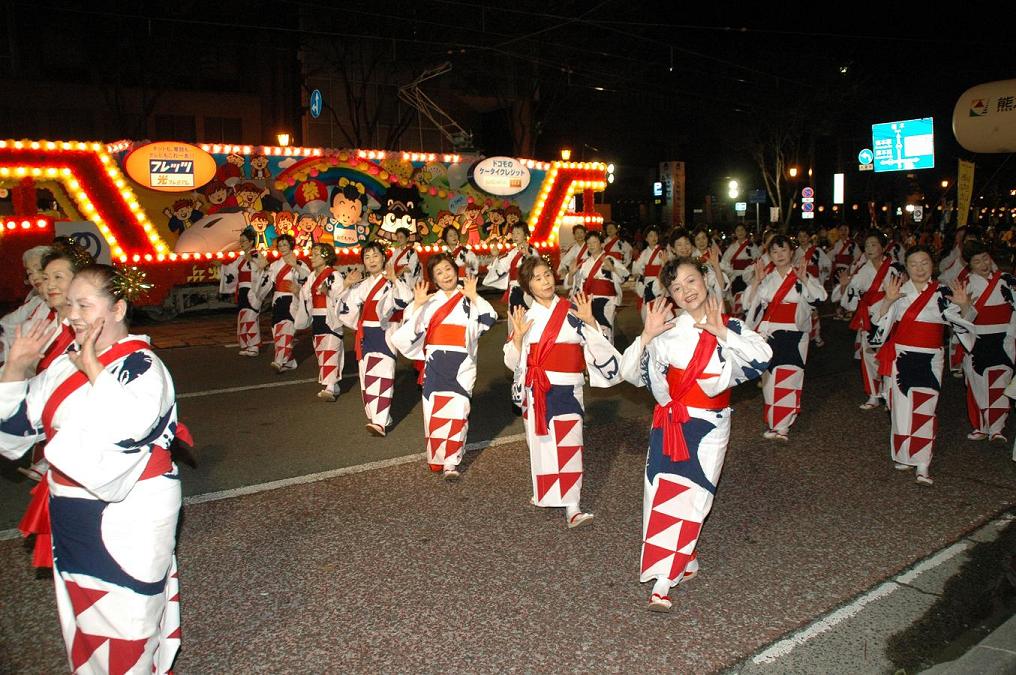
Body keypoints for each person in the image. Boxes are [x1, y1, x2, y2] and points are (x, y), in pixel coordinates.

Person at [0, 264, 184, 674]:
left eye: (84, 304)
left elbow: (132, 430)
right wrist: (15, 369)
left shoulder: (143, 364)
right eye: (69, 306)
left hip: (129, 511)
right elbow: (15, 433)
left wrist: (95, 371)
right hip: (70, 509)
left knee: (128, 620)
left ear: (118, 309)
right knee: (83, 619)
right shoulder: (64, 365)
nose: (72, 316)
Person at [620, 258, 772, 612]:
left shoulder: (729, 325)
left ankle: (666, 575)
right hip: (672, 422)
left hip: (711, 425)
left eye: (691, 280)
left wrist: (721, 332)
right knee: (660, 493)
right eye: (676, 287)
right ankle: (673, 568)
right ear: (670, 295)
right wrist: (646, 335)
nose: (686, 291)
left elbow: (762, 357)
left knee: (694, 497)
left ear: (705, 280)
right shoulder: (667, 330)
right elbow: (632, 375)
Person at [504, 257, 624, 528]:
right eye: (537, 278)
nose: (545, 280)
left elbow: (596, 345)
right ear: (528, 286)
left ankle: (573, 506)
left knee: (570, 444)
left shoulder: (571, 309)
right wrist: (519, 338)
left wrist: (590, 320)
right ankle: (547, 494)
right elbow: (511, 362)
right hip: (538, 390)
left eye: (547, 274)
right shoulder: (527, 317)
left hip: (568, 387)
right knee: (541, 445)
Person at [869, 246, 975, 485]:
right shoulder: (899, 290)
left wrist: (965, 306)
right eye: (914, 264)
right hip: (901, 355)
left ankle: (923, 463)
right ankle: (906, 454)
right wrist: (887, 300)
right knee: (901, 409)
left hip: (930, 358)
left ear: (933, 265)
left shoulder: (943, 292)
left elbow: (963, 324)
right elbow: (877, 323)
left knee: (925, 408)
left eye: (924, 263)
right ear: (906, 267)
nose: (919, 268)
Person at [392, 254, 497, 478]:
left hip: (462, 365)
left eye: (448, 269)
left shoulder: (467, 297)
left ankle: (451, 461)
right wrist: (417, 305)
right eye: (439, 272)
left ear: (456, 270)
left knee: (458, 411)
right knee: (434, 411)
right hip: (435, 362)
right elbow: (408, 332)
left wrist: (475, 296)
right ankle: (437, 456)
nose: (445, 275)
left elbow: (489, 319)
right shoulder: (429, 301)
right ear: (434, 280)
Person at [745, 235, 827, 441]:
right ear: (769, 255)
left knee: (790, 377)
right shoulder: (768, 277)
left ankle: (783, 426)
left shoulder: (802, 274)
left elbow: (820, 297)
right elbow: (749, 304)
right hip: (770, 333)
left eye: (783, 250)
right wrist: (756, 280)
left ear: (792, 252)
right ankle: (775, 423)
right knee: (770, 380)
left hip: (795, 333)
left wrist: (805, 279)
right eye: (774, 251)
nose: (779, 255)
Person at [339, 242, 412, 436]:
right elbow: (346, 308)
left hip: (385, 333)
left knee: (383, 374)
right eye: (367, 257)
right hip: (366, 335)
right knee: (367, 375)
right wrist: (346, 285)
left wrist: (395, 280)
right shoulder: (363, 285)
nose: (371, 260)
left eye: (375, 256)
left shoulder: (391, 281)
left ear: (384, 258)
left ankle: (379, 422)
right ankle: (381, 416)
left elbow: (405, 298)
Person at [831, 231, 905, 410]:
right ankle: (873, 394)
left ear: (883, 246)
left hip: (890, 314)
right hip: (869, 316)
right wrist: (843, 286)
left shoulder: (895, 268)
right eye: (867, 246)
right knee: (869, 354)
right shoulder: (863, 269)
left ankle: (890, 393)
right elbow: (850, 296)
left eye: (874, 244)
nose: (870, 249)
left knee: (889, 355)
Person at [959, 240, 1016, 443]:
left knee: (1000, 382)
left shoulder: (1007, 280)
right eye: (977, 261)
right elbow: (962, 318)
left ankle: (997, 429)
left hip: (1003, 338)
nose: (983, 264)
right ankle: (981, 426)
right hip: (978, 339)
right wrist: (964, 306)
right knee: (977, 384)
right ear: (969, 265)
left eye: (985, 258)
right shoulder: (966, 284)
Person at [298, 243, 350, 401]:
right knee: (321, 351)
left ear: (326, 256)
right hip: (317, 317)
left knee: (331, 350)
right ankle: (334, 385)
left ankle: (329, 387)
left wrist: (329, 292)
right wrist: (298, 291)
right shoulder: (313, 276)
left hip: (330, 318)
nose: (311, 257)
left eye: (315, 254)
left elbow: (343, 296)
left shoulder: (334, 275)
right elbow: (305, 294)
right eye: (311, 254)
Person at [570, 230, 628, 342]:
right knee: (590, 332)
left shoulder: (609, 260)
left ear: (601, 244)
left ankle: (609, 357)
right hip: (588, 301)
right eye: (589, 243)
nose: (591, 245)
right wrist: (572, 274)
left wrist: (613, 269)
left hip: (606, 301)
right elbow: (575, 285)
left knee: (605, 329)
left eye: (594, 242)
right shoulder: (584, 263)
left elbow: (624, 277)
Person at [218, 228, 269, 357]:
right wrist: (220, 266)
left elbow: (265, 267)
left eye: (244, 241)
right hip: (242, 290)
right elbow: (231, 271)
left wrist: (252, 259)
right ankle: (246, 344)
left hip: (252, 291)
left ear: (251, 242)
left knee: (251, 317)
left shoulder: (256, 254)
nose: (241, 243)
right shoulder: (240, 258)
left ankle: (254, 346)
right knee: (243, 318)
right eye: (240, 241)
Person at [0, 245, 52, 365]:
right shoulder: (36, 302)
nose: (34, 277)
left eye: (39, 269)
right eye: (30, 273)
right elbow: (6, 325)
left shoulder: (69, 306)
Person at [266, 234, 310, 372]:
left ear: (291, 245)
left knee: (286, 329)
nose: (282, 247)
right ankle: (289, 362)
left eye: (285, 244)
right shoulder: (274, 265)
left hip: (291, 300)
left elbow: (307, 279)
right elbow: (267, 281)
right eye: (280, 245)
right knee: (277, 330)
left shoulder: (300, 263)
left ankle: (279, 361)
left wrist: (296, 267)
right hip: (278, 299)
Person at [483, 221, 536, 313]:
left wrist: (527, 254)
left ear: (525, 235)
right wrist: (495, 256)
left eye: (518, 233)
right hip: (513, 289)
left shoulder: (531, 250)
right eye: (513, 233)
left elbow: (538, 266)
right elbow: (501, 268)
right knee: (514, 316)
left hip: (527, 289)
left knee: (528, 316)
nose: (515, 236)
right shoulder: (512, 252)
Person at [794, 226, 832, 348]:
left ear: (809, 237)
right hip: (800, 284)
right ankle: (804, 334)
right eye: (799, 236)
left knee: (814, 311)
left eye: (804, 236)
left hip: (812, 284)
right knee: (803, 310)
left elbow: (826, 265)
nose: (802, 239)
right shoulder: (795, 252)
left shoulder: (817, 251)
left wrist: (820, 276)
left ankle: (816, 335)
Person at [720, 223, 757, 316]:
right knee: (736, 299)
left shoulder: (752, 245)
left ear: (746, 232)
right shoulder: (732, 247)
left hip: (749, 278)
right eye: (738, 230)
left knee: (748, 298)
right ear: (735, 233)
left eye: (742, 230)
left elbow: (758, 260)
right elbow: (725, 262)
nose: (740, 232)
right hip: (736, 276)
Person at [631, 225, 667, 319]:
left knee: (659, 304)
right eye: (651, 236)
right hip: (647, 282)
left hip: (660, 281)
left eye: (655, 235)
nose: (654, 238)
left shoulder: (663, 251)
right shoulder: (644, 253)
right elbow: (637, 269)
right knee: (647, 307)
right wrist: (639, 272)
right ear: (646, 238)